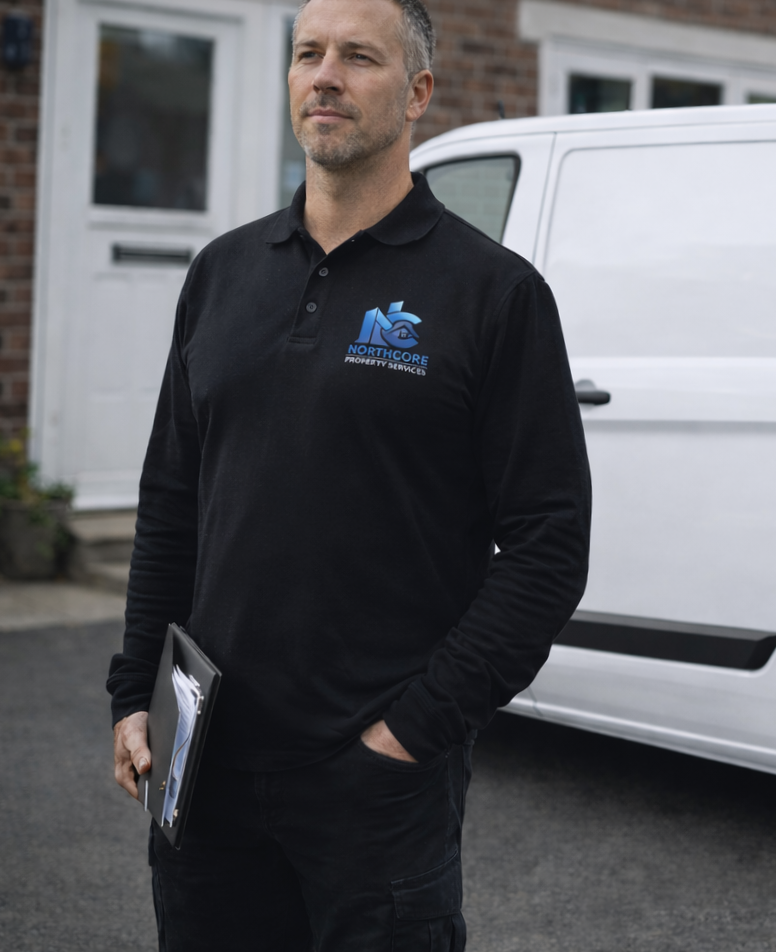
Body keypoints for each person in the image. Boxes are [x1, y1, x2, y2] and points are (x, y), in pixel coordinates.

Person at [106, 0, 591, 947]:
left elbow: (548, 546)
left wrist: (410, 734)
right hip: (207, 770)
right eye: (307, 53)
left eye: (357, 57)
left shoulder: (495, 297)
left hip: (376, 791)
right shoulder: (222, 273)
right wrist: (135, 693)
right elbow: (173, 503)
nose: (324, 75)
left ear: (417, 94)